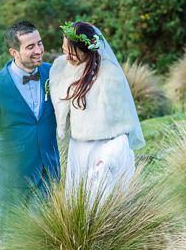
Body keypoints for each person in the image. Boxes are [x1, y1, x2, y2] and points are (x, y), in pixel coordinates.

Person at [0, 20, 61, 226]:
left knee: (45, 232)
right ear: (14, 52)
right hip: (13, 173)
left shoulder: (54, 73)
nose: (39, 50)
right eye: (30, 46)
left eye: (39, 43)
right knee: (11, 232)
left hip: (49, 169)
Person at [49, 20, 144, 201]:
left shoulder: (109, 75)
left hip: (102, 149)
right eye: (64, 51)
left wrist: (108, 158)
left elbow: (122, 125)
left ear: (87, 50)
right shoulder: (61, 68)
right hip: (77, 148)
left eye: (73, 53)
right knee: (77, 199)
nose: (68, 58)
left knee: (100, 198)